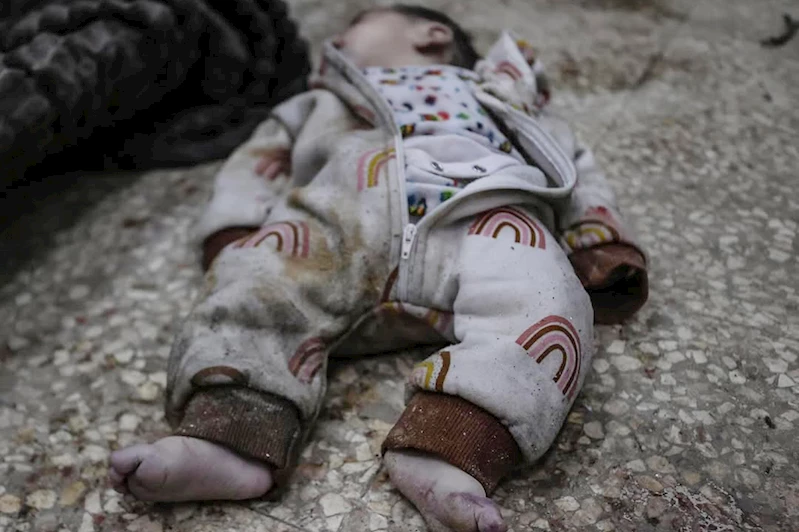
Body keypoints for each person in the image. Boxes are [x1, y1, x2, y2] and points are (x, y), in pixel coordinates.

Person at [108, 5, 648, 531]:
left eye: (357, 24)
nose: (336, 40)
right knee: (256, 284)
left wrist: (598, 241)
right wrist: (235, 228)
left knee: (552, 299)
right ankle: (230, 431)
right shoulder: (319, 100)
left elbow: (578, 167)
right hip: (338, 223)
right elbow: (256, 161)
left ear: (432, 35)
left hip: (486, 216)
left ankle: (452, 443)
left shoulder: (509, 97)